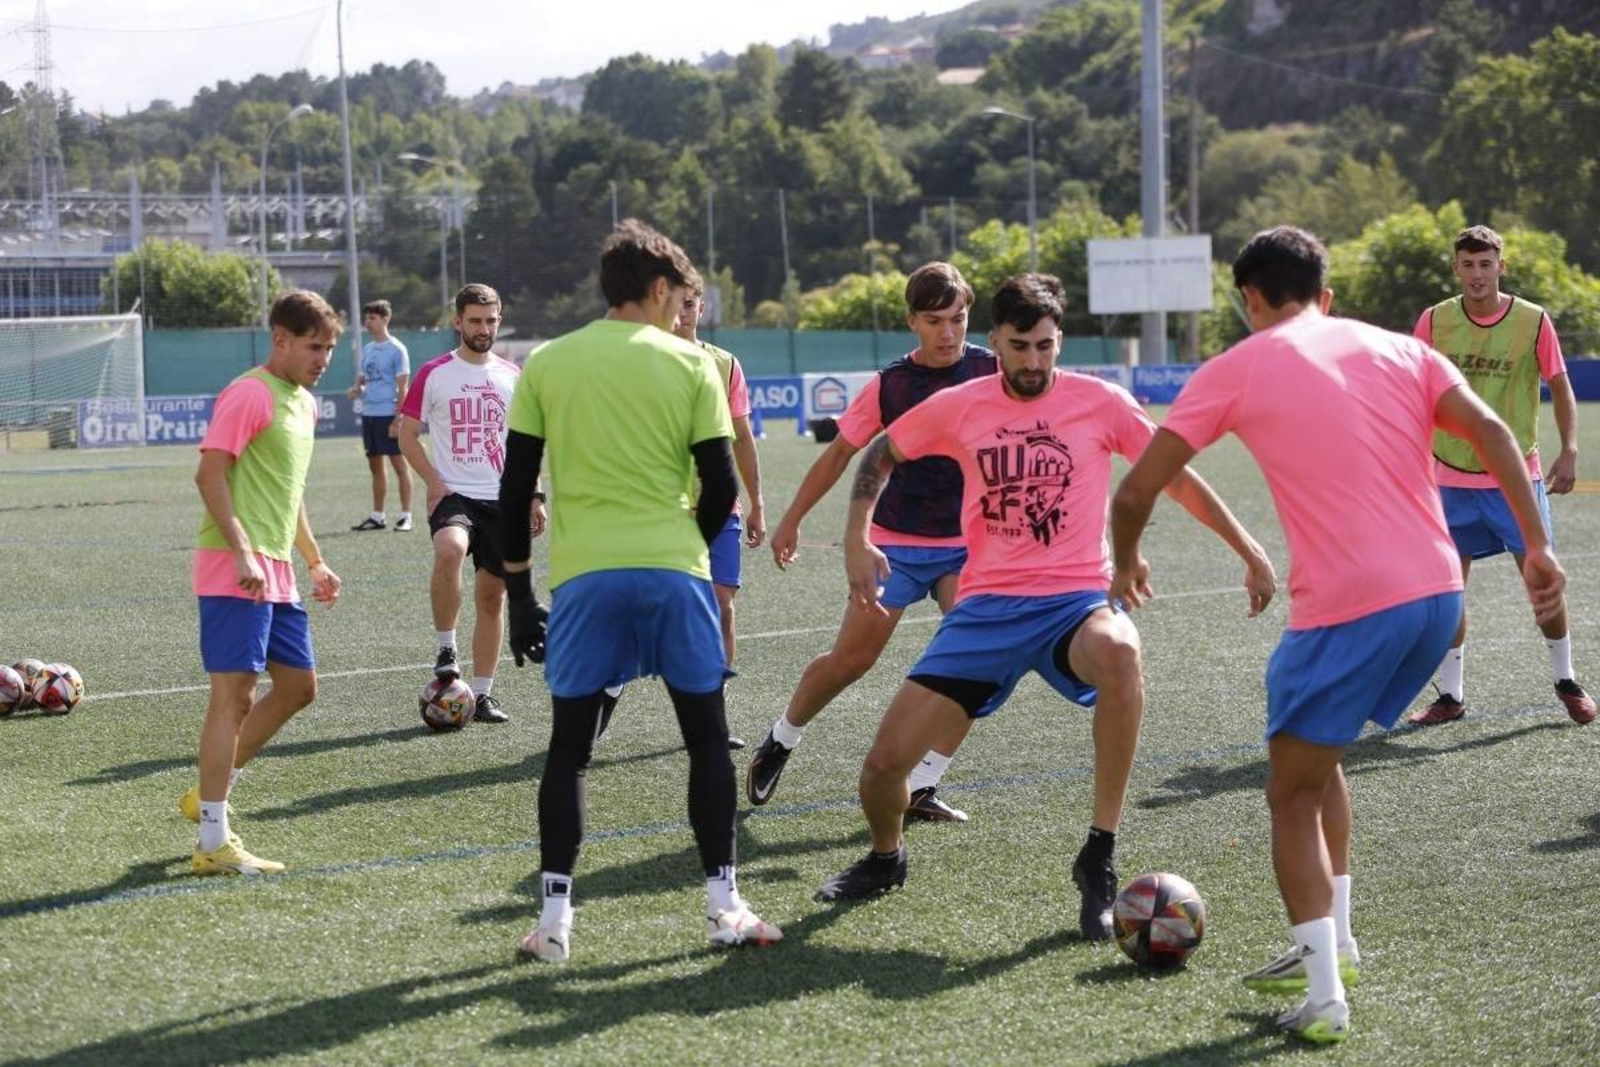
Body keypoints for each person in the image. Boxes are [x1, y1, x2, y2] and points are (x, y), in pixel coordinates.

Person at [1109, 226, 1565, 1044]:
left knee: (1287, 793)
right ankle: (1337, 942)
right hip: (1435, 595)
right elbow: (1498, 436)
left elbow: (1140, 485)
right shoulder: (1400, 347)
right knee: (1320, 763)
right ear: (1325, 292)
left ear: (1250, 299)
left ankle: (1324, 997)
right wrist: (1537, 547)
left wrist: (1125, 563)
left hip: (1349, 604)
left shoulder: (1235, 367)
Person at [814, 274, 1276, 952]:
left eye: (1045, 346)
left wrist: (1248, 545)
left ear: (1059, 342)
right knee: (882, 773)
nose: (1033, 361)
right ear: (994, 341)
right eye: (1019, 346)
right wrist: (857, 537)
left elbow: (1170, 473)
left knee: (1121, 650)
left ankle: (1099, 851)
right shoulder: (960, 403)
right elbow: (881, 452)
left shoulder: (1098, 401)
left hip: (1072, 603)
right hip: (985, 611)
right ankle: (887, 856)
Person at [498, 219, 780, 962]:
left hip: (585, 577)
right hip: (674, 569)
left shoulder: (546, 362)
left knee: (569, 751)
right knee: (706, 740)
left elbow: (513, 489)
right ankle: (725, 906)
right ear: (659, 289)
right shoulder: (694, 366)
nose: (681, 310)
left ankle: (554, 921)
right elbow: (721, 484)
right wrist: (689, 536)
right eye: (679, 296)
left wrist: (522, 596)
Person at [753, 262, 993, 822]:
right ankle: (782, 738)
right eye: (934, 321)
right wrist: (791, 519)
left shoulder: (992, 370)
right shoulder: (890, 385)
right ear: (912, 321)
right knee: (850, 661)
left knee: (979, 662)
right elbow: (840, 454)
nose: (948, 333)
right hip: (894, 544)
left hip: (970, 545)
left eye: (957, 319)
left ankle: (923, 784)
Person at [182, 290, 343, 876]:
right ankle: (212, 840)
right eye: (313, 346)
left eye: (329, 348)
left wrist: (315, 560)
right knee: (235, 698)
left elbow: (288, 492)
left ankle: (207, 796)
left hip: (276, 570)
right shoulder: (250, 392)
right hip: (235, 568)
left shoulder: (303, 404)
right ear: (280, 339)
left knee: (299, 687)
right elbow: (209, 473)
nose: (322, 358)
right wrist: (243, 550)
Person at [1409, 224, 1594, 726]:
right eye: (1467, 265)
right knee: (1448, 590)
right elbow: (1411, 389)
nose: (1476, 274)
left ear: (1500, 267)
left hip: (1516, 478)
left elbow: (1560, 384)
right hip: (1448, 478)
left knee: (1541, 581)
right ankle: (1451, 695)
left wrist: (1570, 448)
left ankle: (1566, 678)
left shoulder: (1533, 321)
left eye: (1485, 264)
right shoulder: (1434, 321)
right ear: (1456, 268)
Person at [398, 284, 535, 725]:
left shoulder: (513, 376)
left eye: (491, 320)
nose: (483, 328)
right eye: (474, 320)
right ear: (457, 321)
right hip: (453, 493)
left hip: (503, 500)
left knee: (493, 597)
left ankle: (482, 695)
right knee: (450, 549)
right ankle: (445, 650)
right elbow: (406, 433)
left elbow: (525, 443)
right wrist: (433, 481)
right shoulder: (434, 372)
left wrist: (534, 495)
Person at [346, 299, 415, 532]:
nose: (368, 322)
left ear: (386, 319)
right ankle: (378, 516)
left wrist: (398, 419)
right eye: (366, 318)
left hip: (388, 414)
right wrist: (356, 390)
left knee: (400, 466)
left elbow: (403, 388)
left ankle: (406, 516)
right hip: (370, 414)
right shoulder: (367, 349)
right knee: (375, 466)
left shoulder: (397, 349)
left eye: (372, 318)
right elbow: (363, 380)